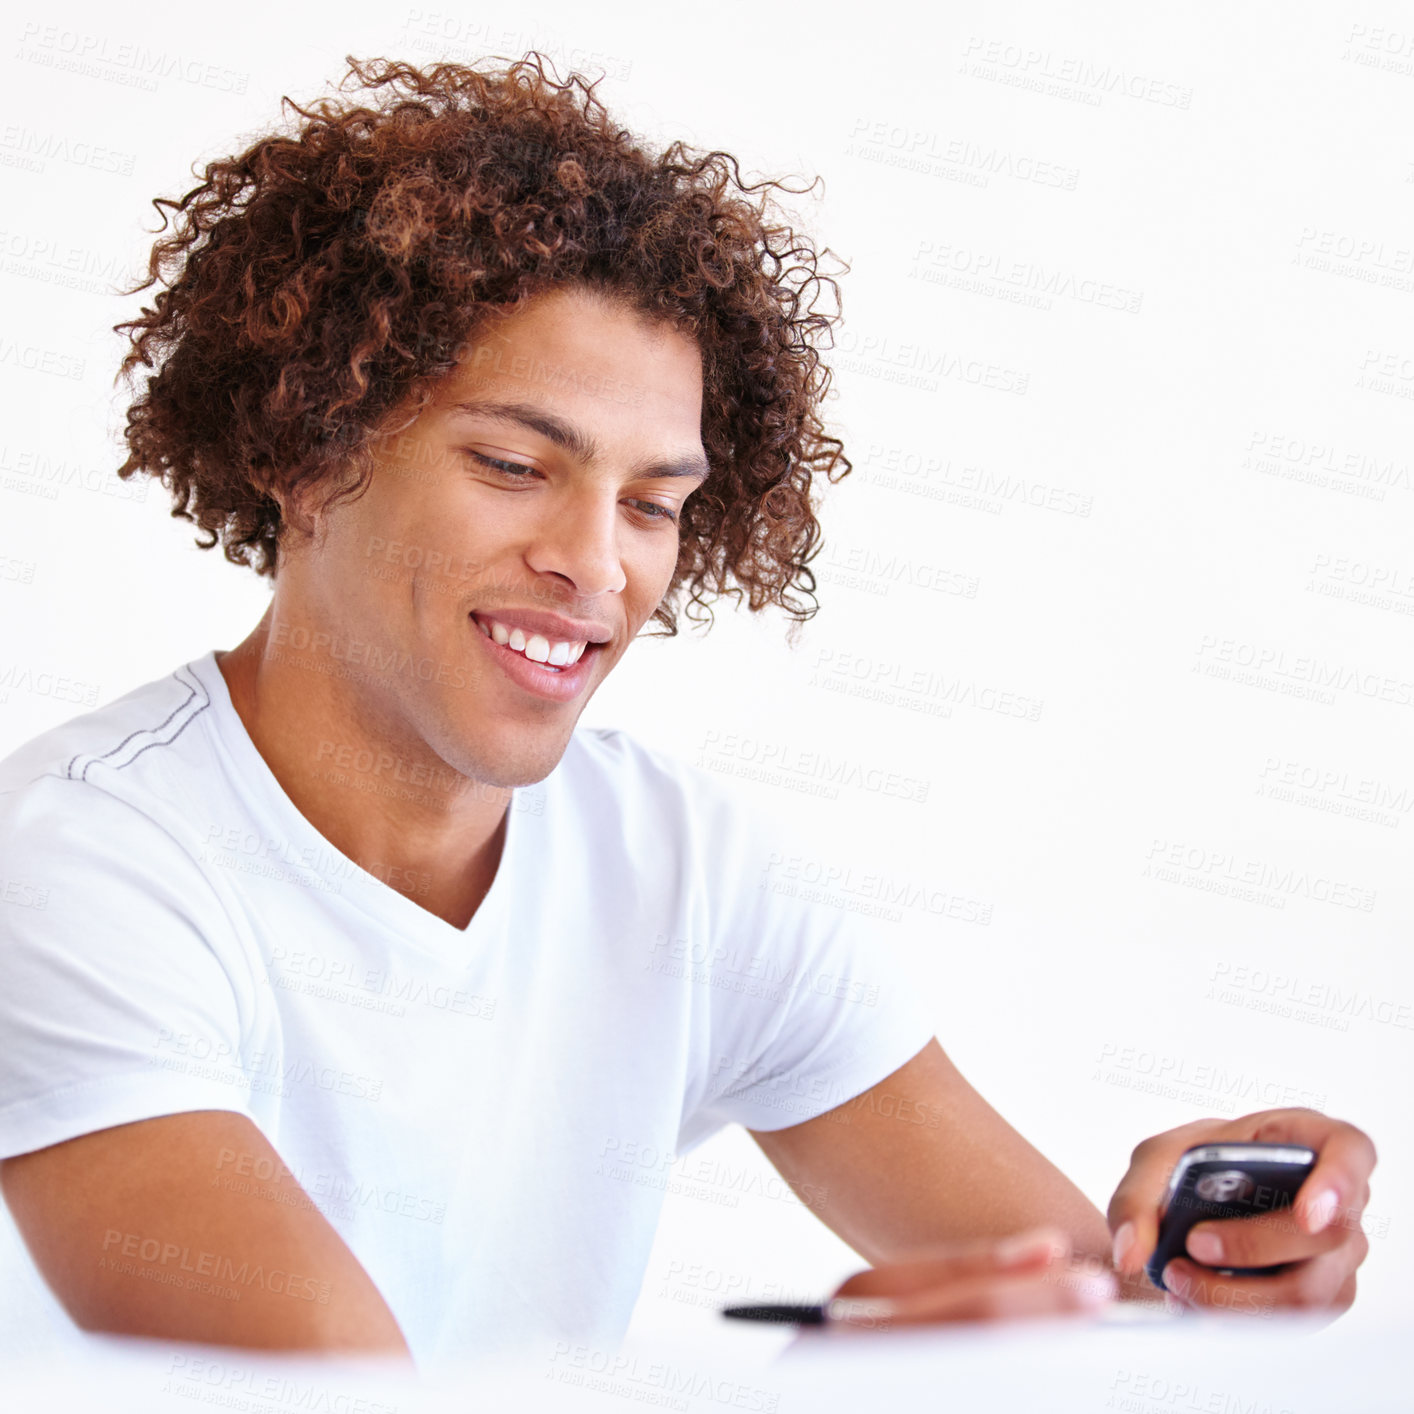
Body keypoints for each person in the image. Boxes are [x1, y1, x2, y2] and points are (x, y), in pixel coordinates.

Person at [0, 53, 1374, 1366]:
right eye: (512, 464)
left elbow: (1075, 1336)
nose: (598, 566)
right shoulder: (80, 869)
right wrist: (825, 1382)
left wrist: (1191, 1280)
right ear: (305, 452)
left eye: (654, 504)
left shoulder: (681, 873)